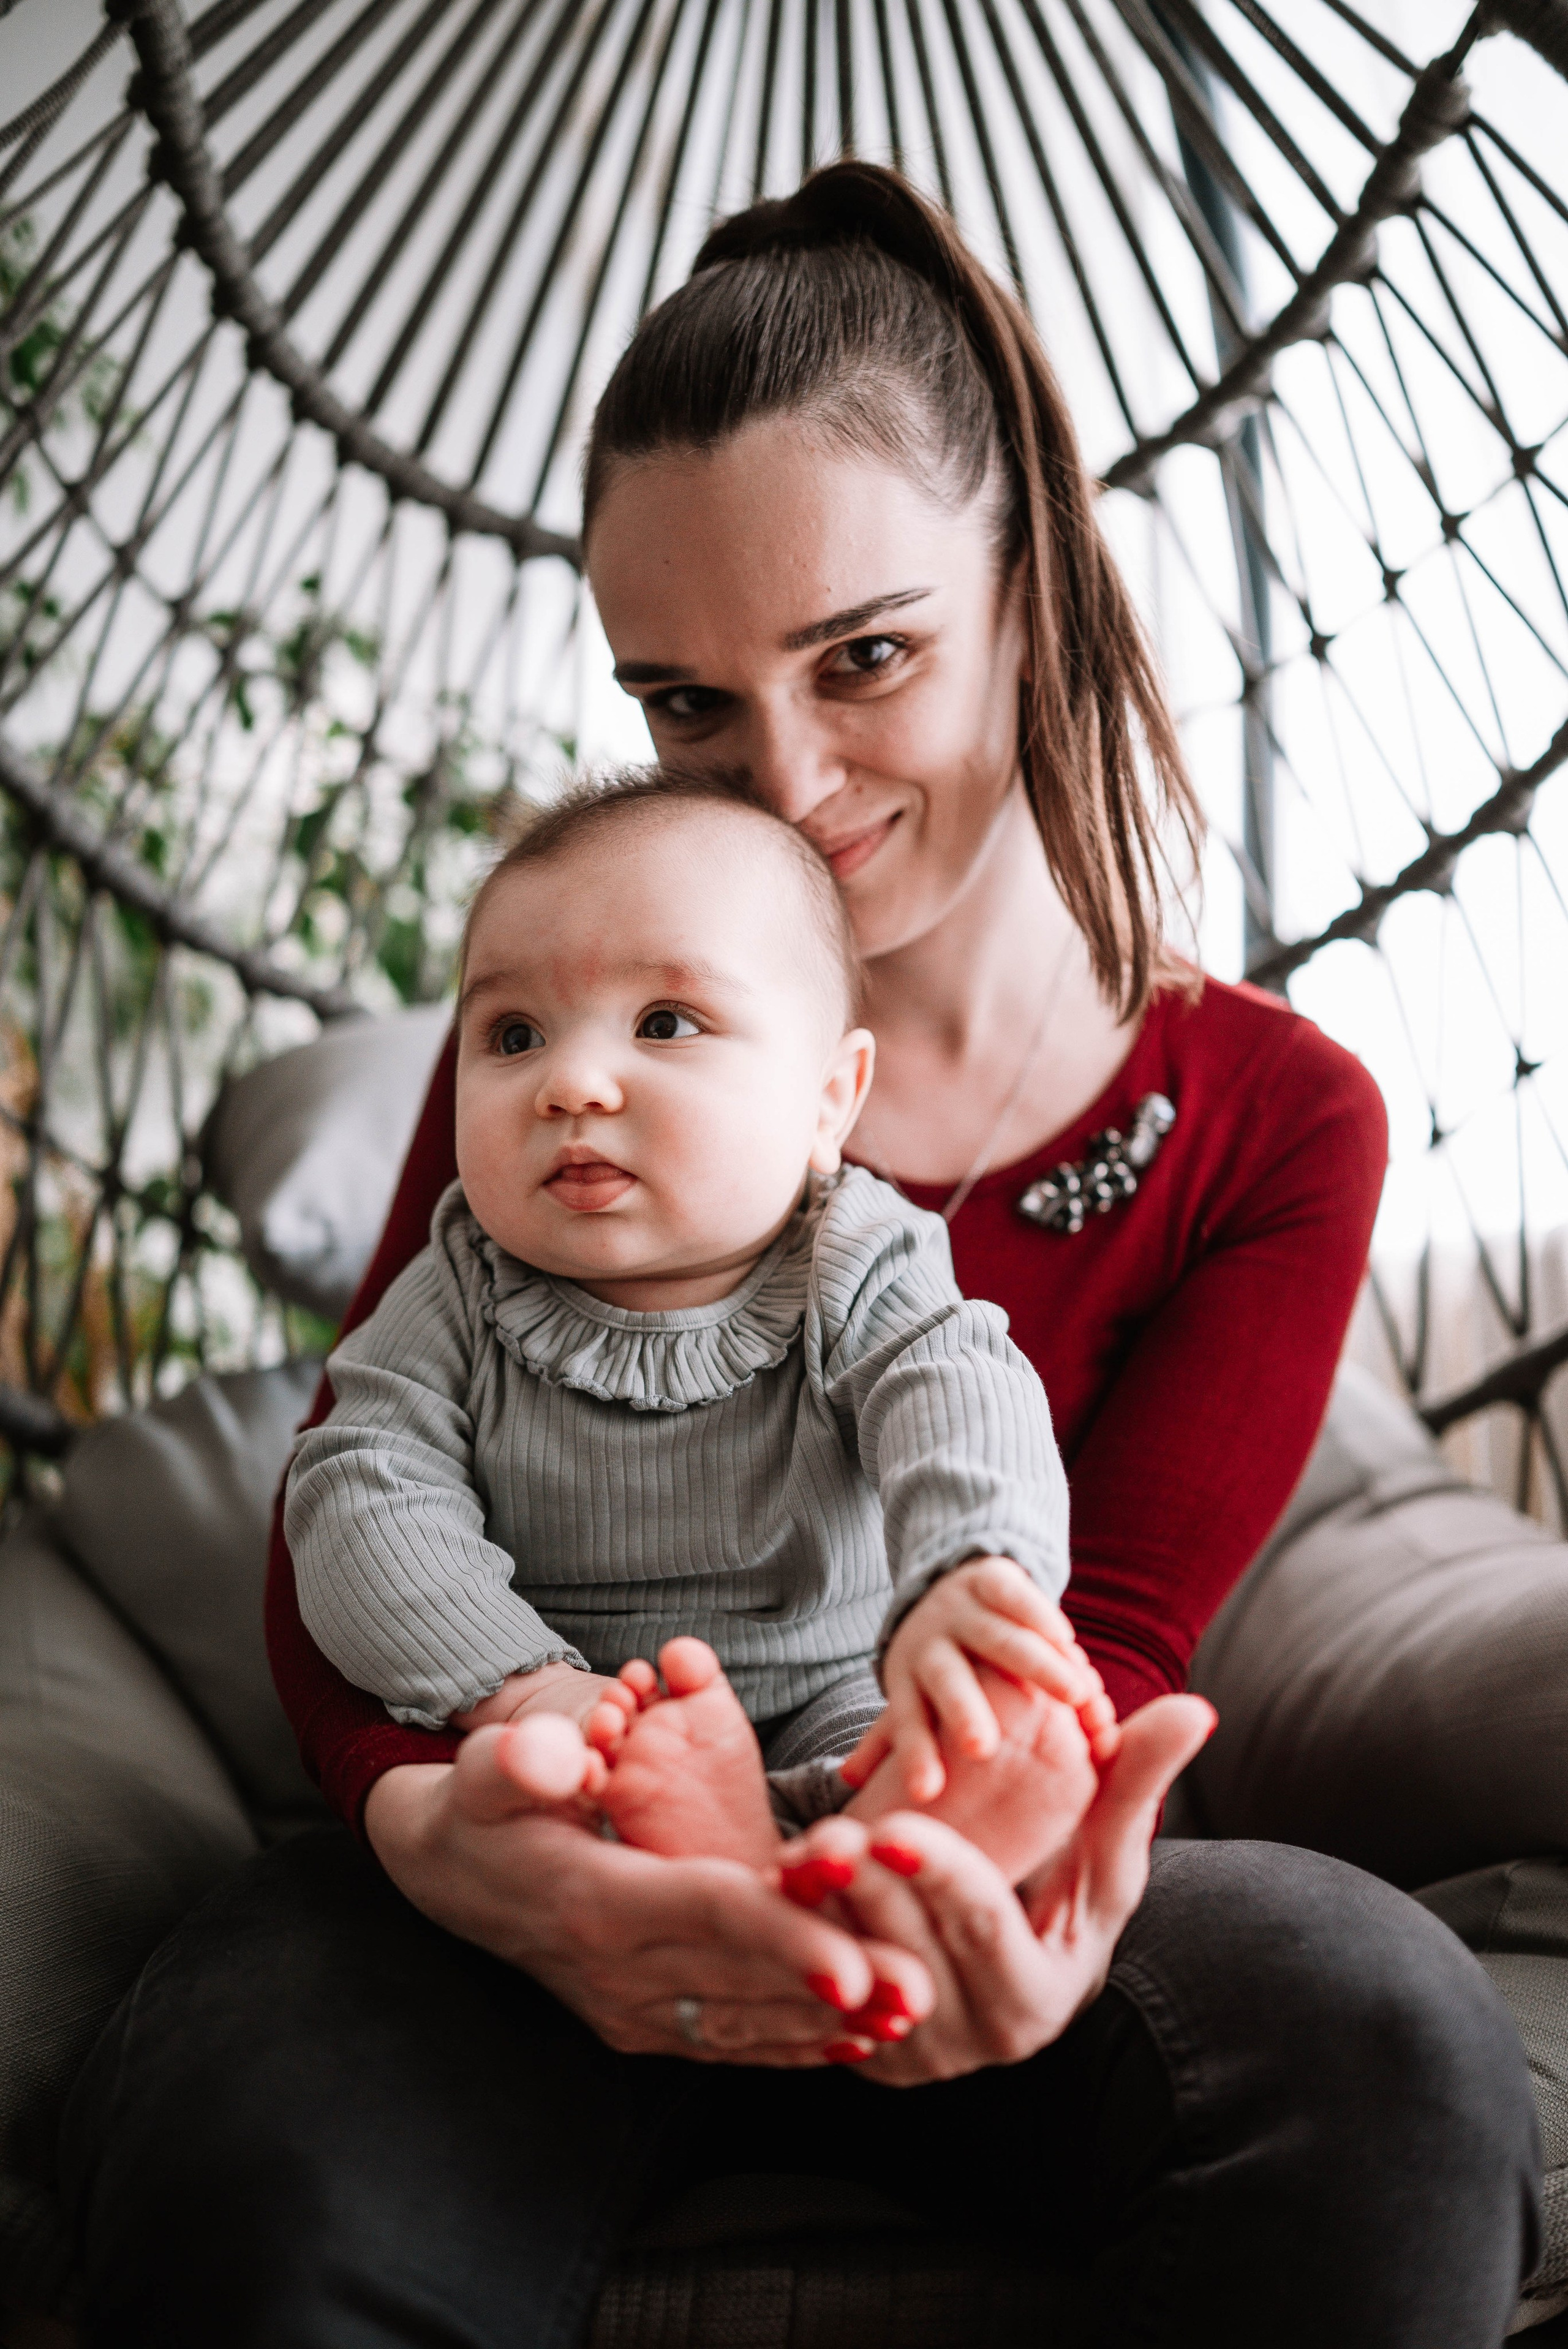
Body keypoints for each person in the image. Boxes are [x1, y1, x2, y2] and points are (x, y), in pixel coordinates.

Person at [62, 162, 1540, 2348]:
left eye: (865, 657)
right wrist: (443, 1829)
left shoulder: (1267, 1118)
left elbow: (1097, 1626)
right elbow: (348, 1506)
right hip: (531, 1854)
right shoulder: (570, 1055)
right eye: (684, 703)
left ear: (1033, 583)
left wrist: (967, 1851)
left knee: (1390, 2040)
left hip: (950, 1862)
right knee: (232, 2121)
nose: (785, 782)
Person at [285, 771, 1111, 1895]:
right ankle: (709, 1841)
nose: (571, 1083)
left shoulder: (860, 1257)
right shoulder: (459, 1289)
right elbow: (361, 1491)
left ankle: (886, 1836)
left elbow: (957, 1391)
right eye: (514, 1033)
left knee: (922, 1743)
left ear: (829, 1100)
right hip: (580, 1704)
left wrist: (973, 1574)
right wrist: (523, 1688)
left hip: (838, 1686)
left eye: (666, 1022)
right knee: (527, 1789)